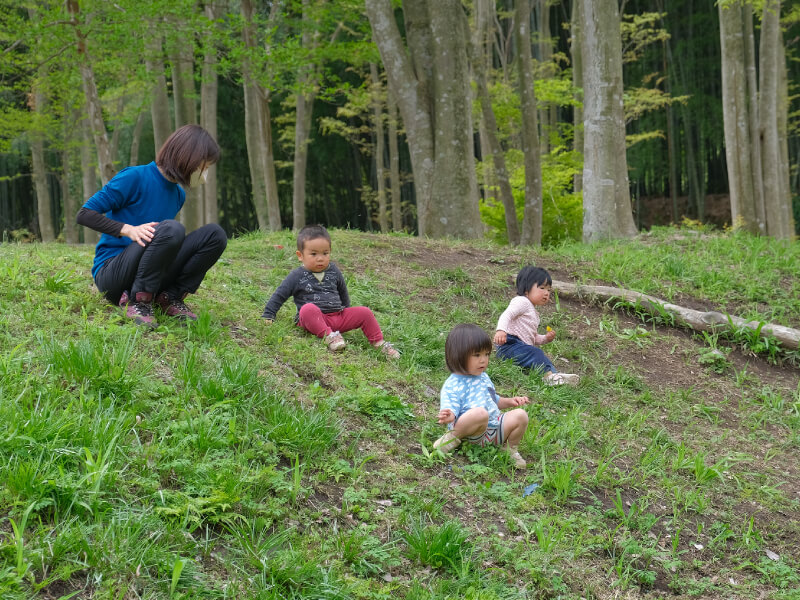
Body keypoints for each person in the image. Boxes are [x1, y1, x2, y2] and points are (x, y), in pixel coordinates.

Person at [76, 125, 227, 327]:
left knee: (215, 235)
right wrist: (128, 230)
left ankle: (169, 297)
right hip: (112, 275)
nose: (204, 174)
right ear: (189, 157)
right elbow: (85, 214)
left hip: (150, 274)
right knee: (173, 229)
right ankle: (137, 301)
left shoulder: (178, 195)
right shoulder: (134, 177)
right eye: (204, 167)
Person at [261, 224, 400, 359]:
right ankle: (330, 337)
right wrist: (269, 314)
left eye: (325, 253)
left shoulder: (333, 271)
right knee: (307, 309)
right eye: (313, 254)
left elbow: (342, 292)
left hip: (337, 316)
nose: (320, 258)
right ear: (300, 255)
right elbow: (280, 294)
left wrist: (347, 312)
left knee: (365, 312)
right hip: (313, 320)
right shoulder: (296, 276)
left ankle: (379, 343)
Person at [434, 323, 530, 468]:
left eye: (486, 354)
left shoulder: (484, 377)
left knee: (521, 415)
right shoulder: (453, 384)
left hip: (494, 430)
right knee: (480, 413)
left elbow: (493, 400)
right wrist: (449, 415)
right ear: (458, 355)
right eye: (477, 355)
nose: (483, 360)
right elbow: (451, 406)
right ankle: (451, 439)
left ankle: (510, 450)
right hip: (472, 433)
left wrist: (510, 402)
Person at [493, 266, 579, 386]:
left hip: (520, 347)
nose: (546, 293)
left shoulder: (532, 311)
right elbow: (507, 314)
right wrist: (501, 330)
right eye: (542, 288)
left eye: (549, 290)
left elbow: (531, 336)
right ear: (526, 289)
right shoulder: (522, 301)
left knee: (540, 356)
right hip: (509, 346)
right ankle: (550, 377)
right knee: (536, 353)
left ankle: (554, 376)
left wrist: (545, 338)